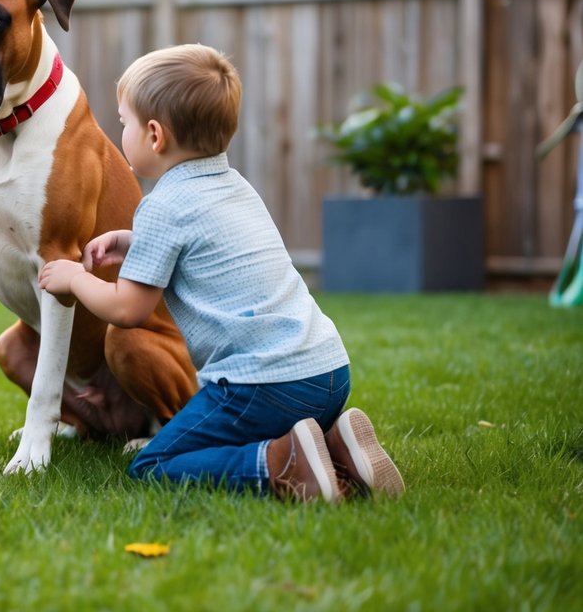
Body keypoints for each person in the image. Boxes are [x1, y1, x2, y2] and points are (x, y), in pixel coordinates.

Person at [38, 45, 404, 502]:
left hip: (264, 385)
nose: (121, 134)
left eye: (124, 123)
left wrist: (75, 278)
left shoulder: (162, 206)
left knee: (153, 464)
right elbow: (202, 247)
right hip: (327, 373)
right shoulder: (235, 188)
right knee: (224, 434)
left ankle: (280, 463)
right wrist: (131, 242)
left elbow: (129, 310)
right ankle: (336, 448)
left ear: (154, 135)